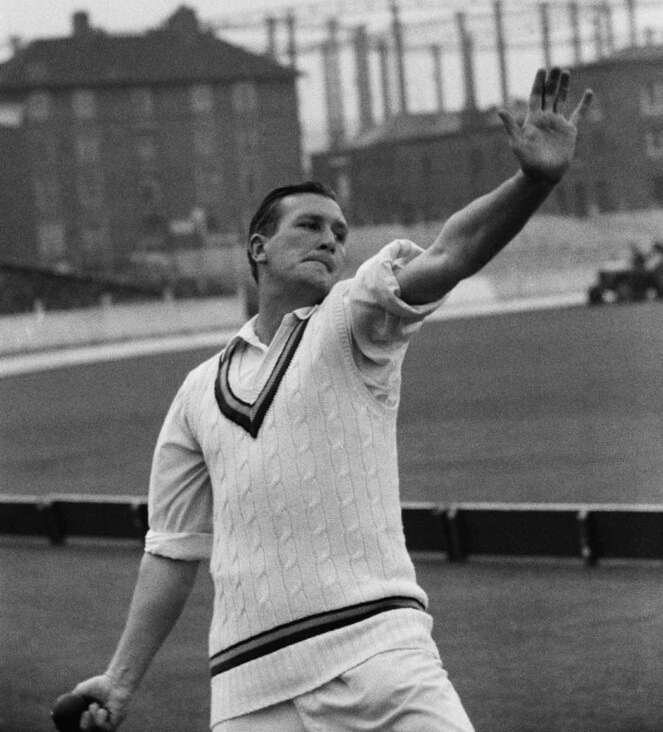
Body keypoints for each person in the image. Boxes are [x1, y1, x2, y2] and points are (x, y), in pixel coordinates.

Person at [68, 67, 592, 732]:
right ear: (257, 248)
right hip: (248, 692)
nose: (331, 241)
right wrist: (118, 682)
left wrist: (533, 182)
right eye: (310, 226)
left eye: (340, 234)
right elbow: (171, 551)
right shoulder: (197, 392)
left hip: (379, 658)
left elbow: (450, 251)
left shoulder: (353, 318)